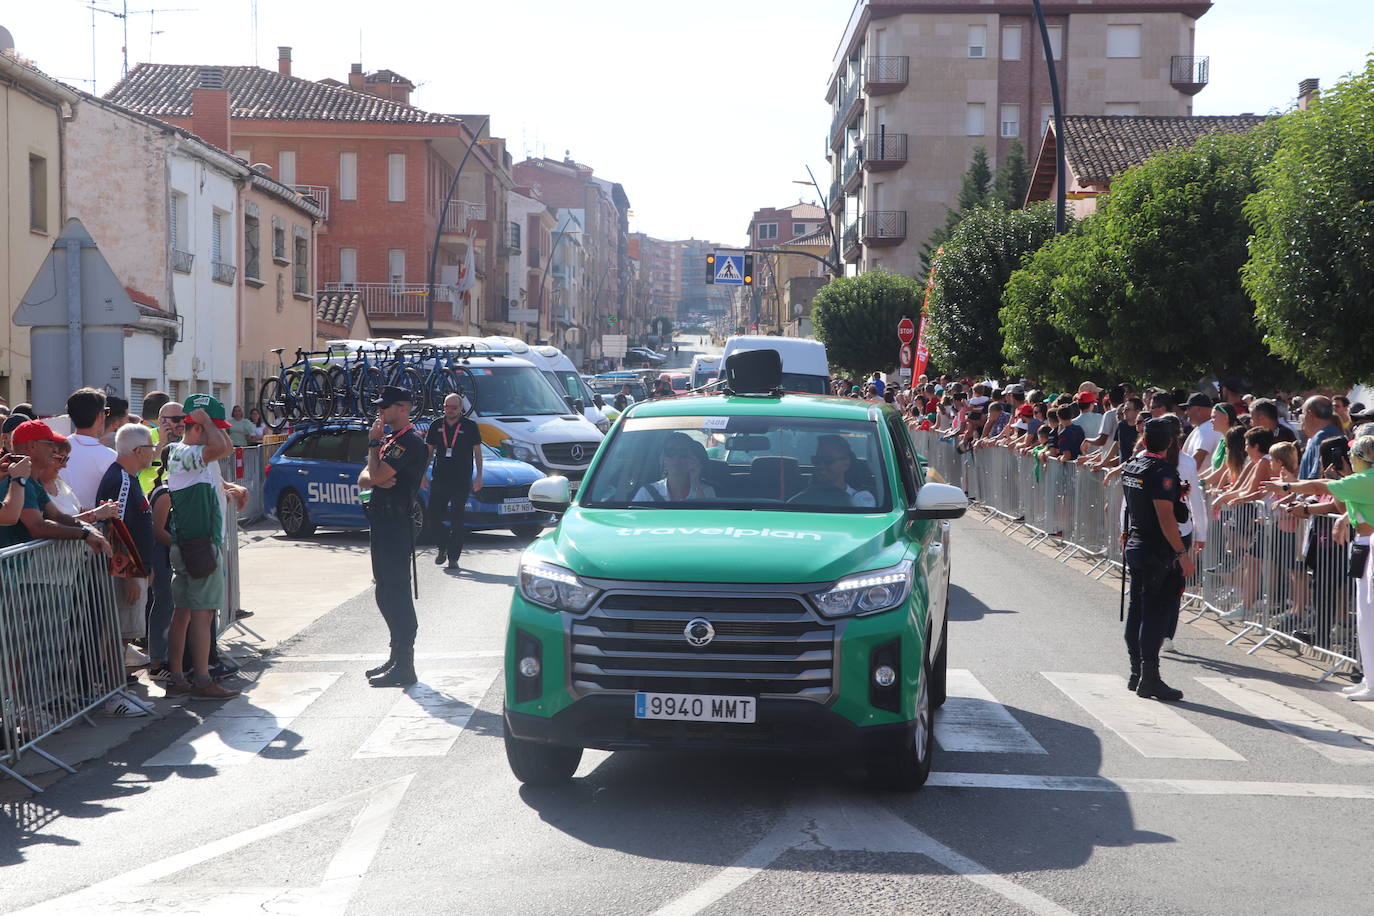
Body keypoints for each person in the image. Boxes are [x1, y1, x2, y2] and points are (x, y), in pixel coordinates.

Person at [1264, 435, 1374, 701]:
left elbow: (1323, 484)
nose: (1348, 461)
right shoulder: (1362, 480)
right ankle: (1370, 680)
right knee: (1364, 617)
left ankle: (1371, 682)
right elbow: (1330, 487)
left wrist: (1289, 487)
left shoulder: (1366, 479)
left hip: (1370, 545)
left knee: (1369, 616)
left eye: (1352, 457)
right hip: (1362, 545)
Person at [163, 395, 243, 700]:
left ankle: (179, 676)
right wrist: (207, 421)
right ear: (195, 427)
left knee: (183, 612)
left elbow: (226, 448)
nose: (218, 434)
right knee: (203, 613)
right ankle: (201, 677)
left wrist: (231, 489)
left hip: (190, 543)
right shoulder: (186, 452)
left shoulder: (191, 454)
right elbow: (224, 447)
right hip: (199, 544)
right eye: (211, 427)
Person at [358, 386, 428, 688]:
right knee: (384, 590)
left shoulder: (409, 442)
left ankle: (406, 664)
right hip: (382, 522)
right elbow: (364, 477)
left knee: (397, 592)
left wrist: (374, 449)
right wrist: (376, 475)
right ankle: (396, 656)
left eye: (385, 407)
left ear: (403, 408)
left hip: (397, 523)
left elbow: (372, 476)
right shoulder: (391, 440)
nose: (380, 412)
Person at [1119, 418, 1194, 702]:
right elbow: (1165, 518)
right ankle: (1149, 678)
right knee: (1154, 614)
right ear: (1172, 442)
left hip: (1138, 543)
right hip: (1156, 551)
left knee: (1137, 609)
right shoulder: (1161, 471)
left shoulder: (1133, 465)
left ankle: (1137, 673)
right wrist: (1182, 554)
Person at [96, 423, 158, 709]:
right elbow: (115, 529)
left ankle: (116, 688)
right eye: (150, 447)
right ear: (137, 450)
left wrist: (145, 568)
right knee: (118, 634)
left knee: (124, 633)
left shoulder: (129, 478)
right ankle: (113, 691)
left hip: (135, 570)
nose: (154, 452)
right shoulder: (120, 479)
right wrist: (131, 576)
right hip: (125, 574)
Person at [0, 420, 112, 555]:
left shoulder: (32, 481)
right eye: (49, 443)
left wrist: (88, 529)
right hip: (12, 572)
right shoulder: (20, 479)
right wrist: (84, 534)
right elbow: (37, 527)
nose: (54, 449)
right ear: (32, 445)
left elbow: (58, 516)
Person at [424, 393, 484, 570]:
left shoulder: (470, 426)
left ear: (460, 408)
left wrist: (479, 476)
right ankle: (442, 546)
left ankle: (453, 557)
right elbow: (428, 453)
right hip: (440, 478)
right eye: (446, 407)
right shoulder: (436, 425)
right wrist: (420, 475)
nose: (449, 410)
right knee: (433, 517)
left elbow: (478, 453)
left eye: (454, 407)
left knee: (458, 518)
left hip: (461, 480)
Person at [61, 387, 117, 510]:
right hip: (95, 524)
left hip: (60, 522)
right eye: (106, 412)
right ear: (100, 416)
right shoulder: (110, 457)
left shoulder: (57, 450)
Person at [791, 435, 876, 508]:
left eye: (828, 461)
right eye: (816, 460)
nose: (821, 466)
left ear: (846, 464)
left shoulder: (860, 498)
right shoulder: (800, 497)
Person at [634, 433, 716, 502]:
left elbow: (706, 518)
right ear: (663, 458)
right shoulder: (646, 493)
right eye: (670, 452)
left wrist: (696, 483)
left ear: (694, 460)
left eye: (683, 453)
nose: (676, 458)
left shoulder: (706, 492)